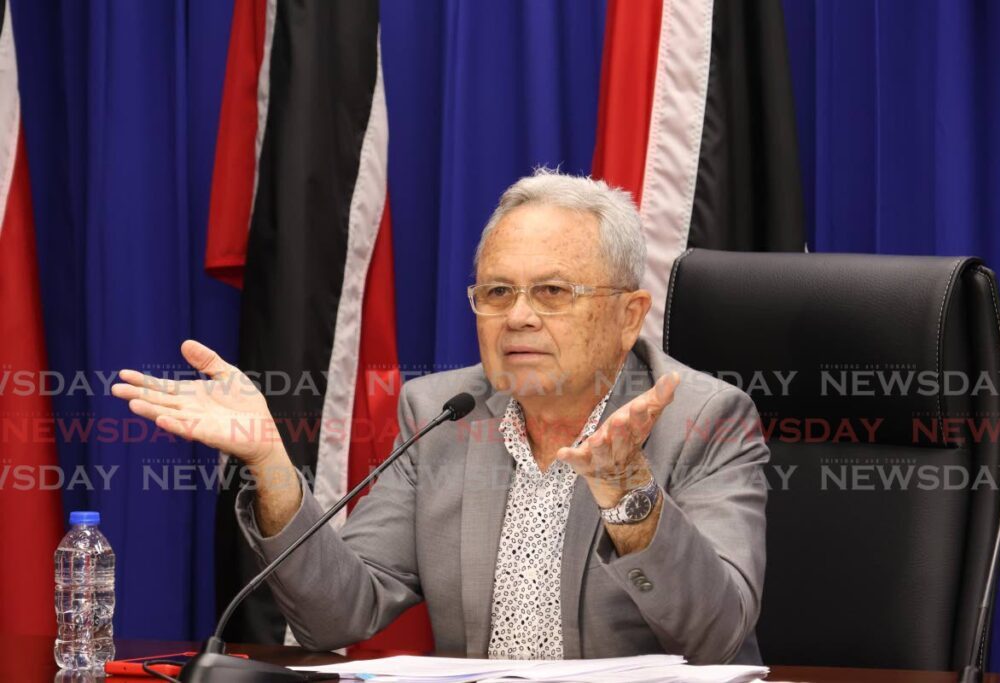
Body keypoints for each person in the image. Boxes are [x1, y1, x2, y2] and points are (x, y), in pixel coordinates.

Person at [112, 169, 769, 663]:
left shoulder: (705, 420)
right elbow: (338, 613)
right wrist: (272, 466)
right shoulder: (442, 414)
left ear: (629, 315)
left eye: (551, 292)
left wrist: (631, 494)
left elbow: (717, 634)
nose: (517, 316)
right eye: (497, 291)